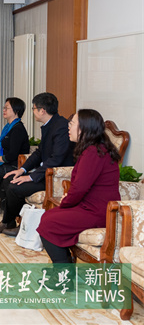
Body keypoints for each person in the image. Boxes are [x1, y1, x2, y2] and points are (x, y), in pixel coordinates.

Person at [37, 109, 121, 263]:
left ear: (84, 128)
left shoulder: (93, 152)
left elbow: (80, 188)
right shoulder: (94, 149)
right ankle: (65, 265)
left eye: (72, 123)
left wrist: (66, 201)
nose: (68, 127)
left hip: (97, 211)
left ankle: (64, 272)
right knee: (48, 217)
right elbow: (82, 185)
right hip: (90, 207)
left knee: (48, 223)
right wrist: (68, 199)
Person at [0, 92, 74, 235]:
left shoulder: (60, 127)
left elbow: (56, 159)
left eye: (34, 108)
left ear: (42, 110)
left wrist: (30, 177)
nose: (33, 112)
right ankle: (9, 221)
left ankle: (24, 225)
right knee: (9, 179)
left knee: (14, 187)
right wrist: (22, 170)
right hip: (45, 173)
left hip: (54, 178)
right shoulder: (50, 124)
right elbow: (39, 153)